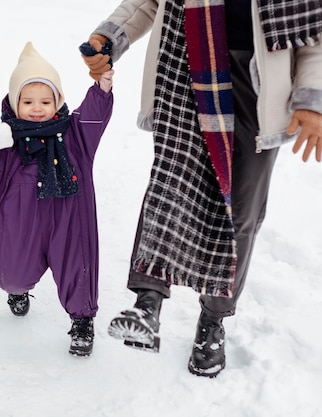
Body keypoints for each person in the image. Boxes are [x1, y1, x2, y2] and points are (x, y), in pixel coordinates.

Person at [81, 0, 322, 377]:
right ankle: (148, 302)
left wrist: (312, 98)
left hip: (261, 89)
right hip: (187, 64)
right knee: (172, 181)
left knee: (241, 210)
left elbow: (315, 32)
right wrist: (110, 36)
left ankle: (213, 319)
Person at [0, 42, 114, 356]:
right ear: (15, 103)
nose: (37, 107)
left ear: (58, 101)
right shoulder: (7, 138)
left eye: (46, 100)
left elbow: (94, 115)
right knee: (13, 274)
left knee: (78, 267)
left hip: (70, 218)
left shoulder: (75, 134)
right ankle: (17, 291)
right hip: (21, 221)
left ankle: (82, 319)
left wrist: (102, 87)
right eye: (27, 100)